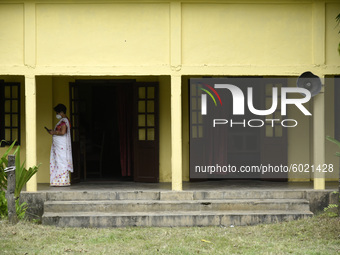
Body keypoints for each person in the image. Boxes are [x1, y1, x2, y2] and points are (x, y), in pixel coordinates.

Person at [47, 104, 73, 186]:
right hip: (58, 145)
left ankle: (62, 181)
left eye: (57, 113)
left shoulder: (64, 121)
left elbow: (63, 132)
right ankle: (58, 180)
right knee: (58, 161)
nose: (56, 114)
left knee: (61, 161)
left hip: (61, 145)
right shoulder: (62, 121)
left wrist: (53, 132)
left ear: (61, 112)